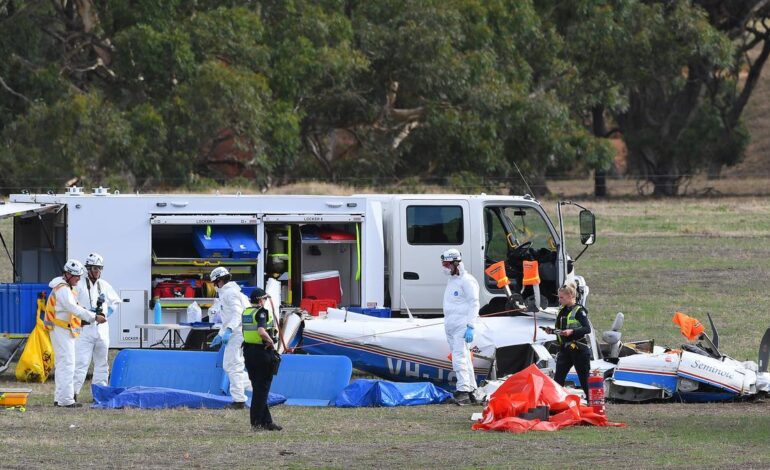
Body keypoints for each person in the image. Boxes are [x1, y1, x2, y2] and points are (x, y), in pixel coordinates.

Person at [45, 259, 106, 407]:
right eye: (76, 276)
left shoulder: (66, 287)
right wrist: (93, 317)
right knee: (67, 364)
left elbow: (75, 308)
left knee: (63, 364)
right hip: (62, 330)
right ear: (67, 275)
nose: (79, 278)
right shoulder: (63, 289)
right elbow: (74, 309)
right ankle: (66, 400)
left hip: (64, 330)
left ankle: (60, 398)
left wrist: (86, 318)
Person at [73, 253, 121, 400]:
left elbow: (115, 302)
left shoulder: (104, 285)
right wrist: (87, 315)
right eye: (94, 268)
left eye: (99, 268)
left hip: (101, 330)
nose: (96, 271)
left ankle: (100, 394)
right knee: (81, 363)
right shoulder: (79, 285)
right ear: (88, 268)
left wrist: (106, 314)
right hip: (85, 329)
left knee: (102, 364)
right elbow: (72, 304)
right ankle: (72, 394)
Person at [209, 267, 252, 409]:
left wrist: (228, 330)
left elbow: (237, 314)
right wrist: (221, 334)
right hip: (236, 333)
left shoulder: (230, 293)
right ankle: (256, 386)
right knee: (232, 366)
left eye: (215, 283)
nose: (215, 286)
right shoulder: (231, 292)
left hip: (236, 334)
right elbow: (228, 318)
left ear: (219, 280)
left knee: (233, 366)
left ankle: (239, 401)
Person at [441, 248, 480, 405]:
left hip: (462, 326)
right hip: (451, 325)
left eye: (447, 264)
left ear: (456, 263)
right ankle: (471, 391)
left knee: (459, 358)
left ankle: (463, 391)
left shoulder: (467, 281)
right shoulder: (452, 281)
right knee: (464, 359)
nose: (445, 268)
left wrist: (471, 326)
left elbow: (474, 303)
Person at [242, 288, 282, 431]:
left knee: (258, 388)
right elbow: (261, 331)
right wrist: (271, 341)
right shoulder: (262, 312)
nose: (265, 301)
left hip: (248, 352)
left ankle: (266, 422)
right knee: (262, 389)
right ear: (260, 300)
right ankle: (257, 422)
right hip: (262, 352)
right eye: (265, 299)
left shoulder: (246, 312)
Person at [549, 282, 591, 399]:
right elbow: (561, 330)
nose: (559, 300)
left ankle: (591, 403)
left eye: (562, 297)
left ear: (571, 296)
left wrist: (572, 332)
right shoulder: (562, 311)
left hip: (579, 349)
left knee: (584, 379)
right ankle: (557, 403)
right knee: (558, 379)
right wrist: (551, 331)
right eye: (559, 297)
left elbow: (587, 329)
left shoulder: (579, 311)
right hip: (565, 349)